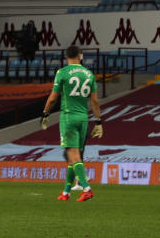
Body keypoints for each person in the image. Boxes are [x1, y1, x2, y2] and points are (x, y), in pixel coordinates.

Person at [40, 45, 102, 202]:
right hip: (84, 119)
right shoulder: (89, 74)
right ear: (80, 56)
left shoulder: (62, 73)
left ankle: (87, 189)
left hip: (68, 117)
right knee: (73, 156)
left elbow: (53, 98)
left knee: (72, 155)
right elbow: (94, 101)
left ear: (66, 57)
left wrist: (45, 113)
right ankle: (66, 192)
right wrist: (99, 122)